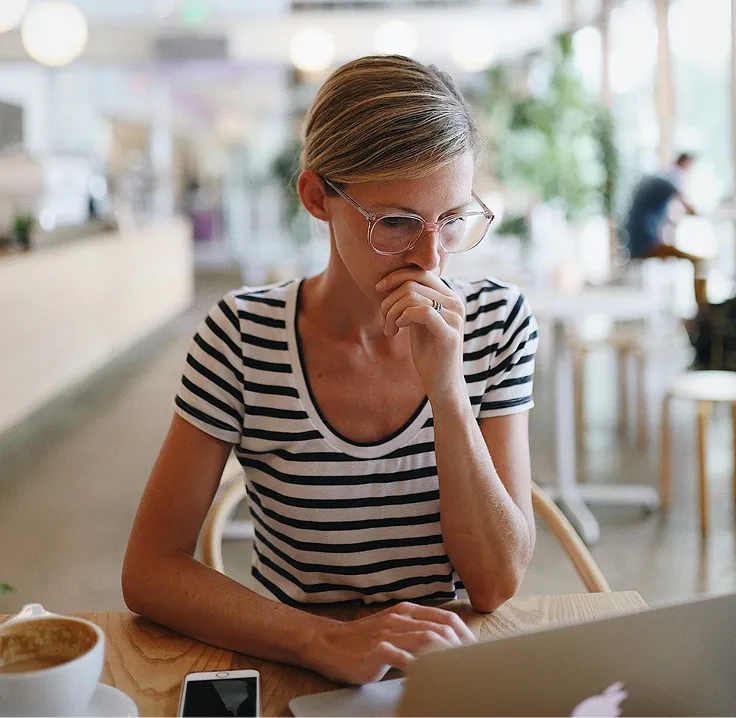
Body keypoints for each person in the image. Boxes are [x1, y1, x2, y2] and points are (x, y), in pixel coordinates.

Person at [122, 54, 538, 686]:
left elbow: (495, 584)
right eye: (394, 222)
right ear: (317, 197)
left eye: (452, 219)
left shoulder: (496, 322)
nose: (431, 257)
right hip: (292, 661)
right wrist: (323, 640)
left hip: (442, 664)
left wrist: (448, 392)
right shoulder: (241, 336)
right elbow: (150, 568)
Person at [624, 152, 707, 304]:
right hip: (646, 243)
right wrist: (706, 214)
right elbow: (687, 206)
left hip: (636, 240)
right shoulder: (673, 177)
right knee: (699, 262)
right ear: (685, 164)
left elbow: (669, 216)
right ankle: (703, 313)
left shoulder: (659, 177)